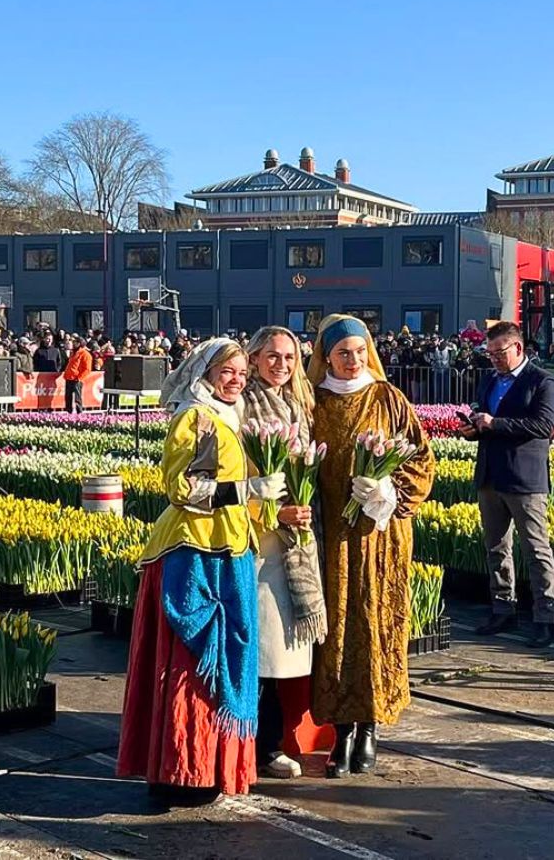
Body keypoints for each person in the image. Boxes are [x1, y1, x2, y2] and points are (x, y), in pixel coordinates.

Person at [118, 338, 281, 802]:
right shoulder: (195, 417)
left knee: (226, 661)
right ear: (205, 372)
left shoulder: (236, 419)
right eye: (227, 371)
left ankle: (212, 767)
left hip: (232, 549)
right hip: (195, 552)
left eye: (241, 373)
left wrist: (267, 503)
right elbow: (180, 487)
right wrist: (245, 489)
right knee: (190, 668)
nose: (236, 380)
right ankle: (181, 771)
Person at [307, 314, 436, 779]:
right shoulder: (315, 402)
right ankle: (342, 729)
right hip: (333, 539)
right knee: (337, 628)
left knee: (375, 618)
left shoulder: (388, 398)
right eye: (343, 353)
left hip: (380, 534)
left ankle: (371, 725)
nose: (352, 360)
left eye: (359, 352)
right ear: (327, 356)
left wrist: (393, 492)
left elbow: (421, 457)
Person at [239, 326, 326, 781]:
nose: (281, 365)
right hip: (259, 542)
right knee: (258, 651)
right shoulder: (242, 405)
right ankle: (253, 745)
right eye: (272, 356)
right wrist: (273, 510)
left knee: (277, 656)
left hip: (296, 547)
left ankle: (268, 741)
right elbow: (229, 480)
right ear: (253, 358)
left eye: (290, 358)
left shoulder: (301, 404)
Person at [458, 321, 554, 648]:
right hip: (490, 474)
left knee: (535, 548)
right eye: (490, 354)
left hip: (525, 479)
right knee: (496, 547)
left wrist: (495, 423)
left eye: (499, 353)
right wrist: (475, 426)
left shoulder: (542, 381)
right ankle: (503, 607)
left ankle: (545, 616)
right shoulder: (490, 379)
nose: (495, 359)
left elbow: (544, 425)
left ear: (518, 348)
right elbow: (482, 412)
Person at [62, 336, 93, 412]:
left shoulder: (85, 354)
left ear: (79, 343)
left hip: (77, 379)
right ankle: (68, 413)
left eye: (75, 342)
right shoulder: (73, 352)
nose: (73, 343)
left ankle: (79, 413)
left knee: (77, 398)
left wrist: (79, 378)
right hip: (69, 378)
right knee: (68, 397)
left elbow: (87, 369)